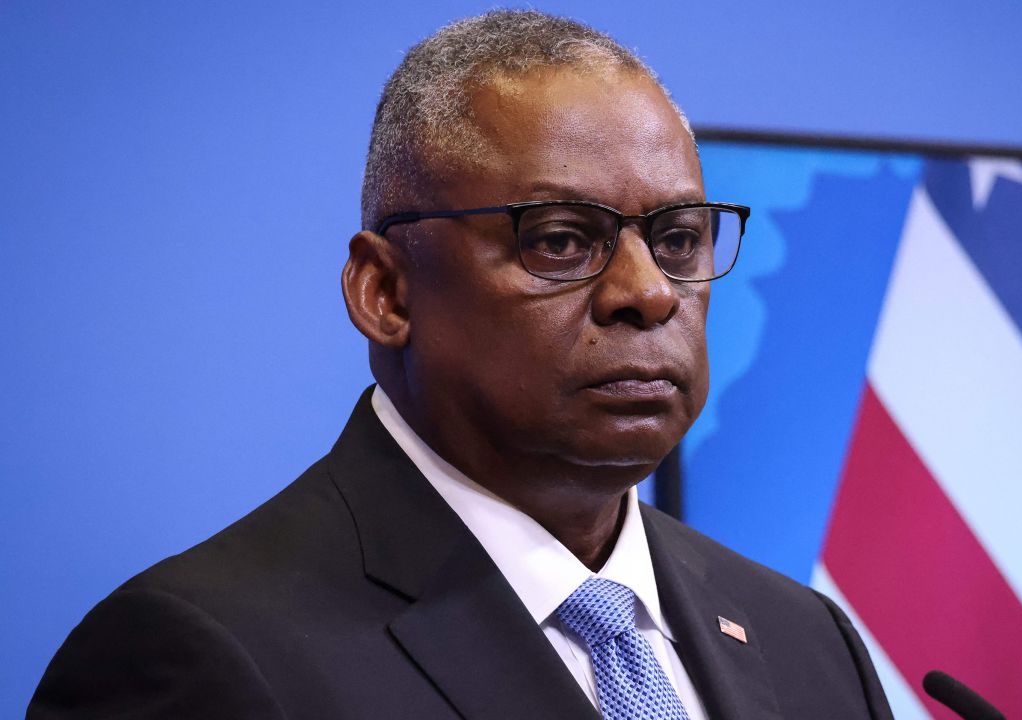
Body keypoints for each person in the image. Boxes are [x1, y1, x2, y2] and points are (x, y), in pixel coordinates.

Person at [29, 11, 893, 720]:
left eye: (676, 241)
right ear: (386, 293)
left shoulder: (810, 643)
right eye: (559, 240)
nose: (648, 295)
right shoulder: (203, 659)